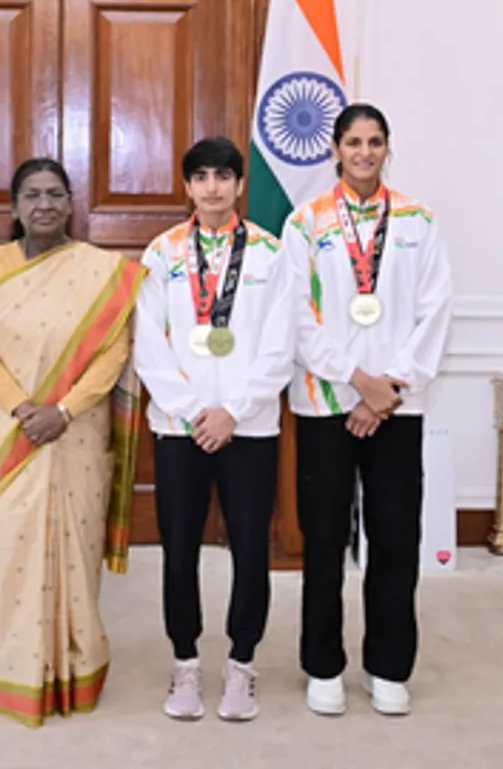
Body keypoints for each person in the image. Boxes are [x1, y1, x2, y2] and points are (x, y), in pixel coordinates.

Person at [0, 157, 146, 727]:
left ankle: (76, 664)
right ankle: (11, 667)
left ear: (71, 205)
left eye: (56, 194)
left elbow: (114, 351)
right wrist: (24, 409)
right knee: (8, 551)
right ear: (14, 208)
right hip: (11, 429)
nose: (44, 203)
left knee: (76, 548)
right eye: (32, 194)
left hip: (77, 432)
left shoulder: (101, 270)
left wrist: (63, 410)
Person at [281, 103, 452, 717]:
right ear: (334, 149)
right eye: (353, 141)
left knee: (395, 538)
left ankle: (388, 666)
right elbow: (298, 317)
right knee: (324, 538)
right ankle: (323, 666)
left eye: (374, 142)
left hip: (395, 410)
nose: (364, 152)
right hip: (326, 403)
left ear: (387, 149)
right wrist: (356, 381)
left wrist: (388, 390)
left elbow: (436, 310)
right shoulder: (305, 223)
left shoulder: (417, 220)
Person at [133, 137, 294, 722]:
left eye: (223, 176)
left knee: (251, 550)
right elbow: (147, 342)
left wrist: (236, 409)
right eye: (200, 177)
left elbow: (282, 344)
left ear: (239, 184)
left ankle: (242, 667)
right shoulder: (163, 252)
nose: (212, 187)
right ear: (187, 187)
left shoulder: (273, 255)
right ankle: (185, 665)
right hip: (180, 428)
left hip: (248, 428)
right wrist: (193, 409)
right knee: (180, 550)